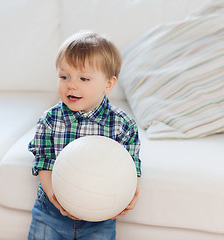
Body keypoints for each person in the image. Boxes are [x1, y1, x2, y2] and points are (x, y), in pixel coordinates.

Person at [28, 31, 141, 240]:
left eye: (84, 78)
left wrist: (130, 194)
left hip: (100, 216)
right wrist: (56, 199)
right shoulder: (50, 120)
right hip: (51, 212)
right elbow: (43, 163)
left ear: (108, 84)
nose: (72, 85)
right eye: (64, 76)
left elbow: (130, 166)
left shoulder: (122, 125)